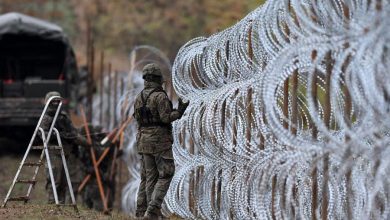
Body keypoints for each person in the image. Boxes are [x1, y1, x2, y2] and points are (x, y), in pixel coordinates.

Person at [134, 63, 188, 219]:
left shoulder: (139, 97)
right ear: (158, 79)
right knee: (166, 174)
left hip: (143, 139)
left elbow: (137, 119)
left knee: (148, 177)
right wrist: (179, 111)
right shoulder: (160, 96)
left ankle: (142, 211)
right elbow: (166, 118)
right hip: (159, 140)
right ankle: (152, 211)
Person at [41, 91, 89, 204]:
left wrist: (75, 138)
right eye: (54, 101)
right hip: (53, 152)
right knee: (54, 179)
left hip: (65, 152)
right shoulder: (46, 117)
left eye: (58, 101)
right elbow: (42, 134)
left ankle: (61, 203)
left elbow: (73, 132)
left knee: (63, 181)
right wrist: (57, 135)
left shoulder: (63, 116)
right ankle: (52, 202)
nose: (57, 103)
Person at [79, 125, 116, 211]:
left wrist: (110, 142)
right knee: (89, 198)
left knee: (94, 198)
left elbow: (102, 149)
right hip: (87, 176)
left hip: (95, 175)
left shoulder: (95, 143)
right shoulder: (84, 145)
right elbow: (99, 152)